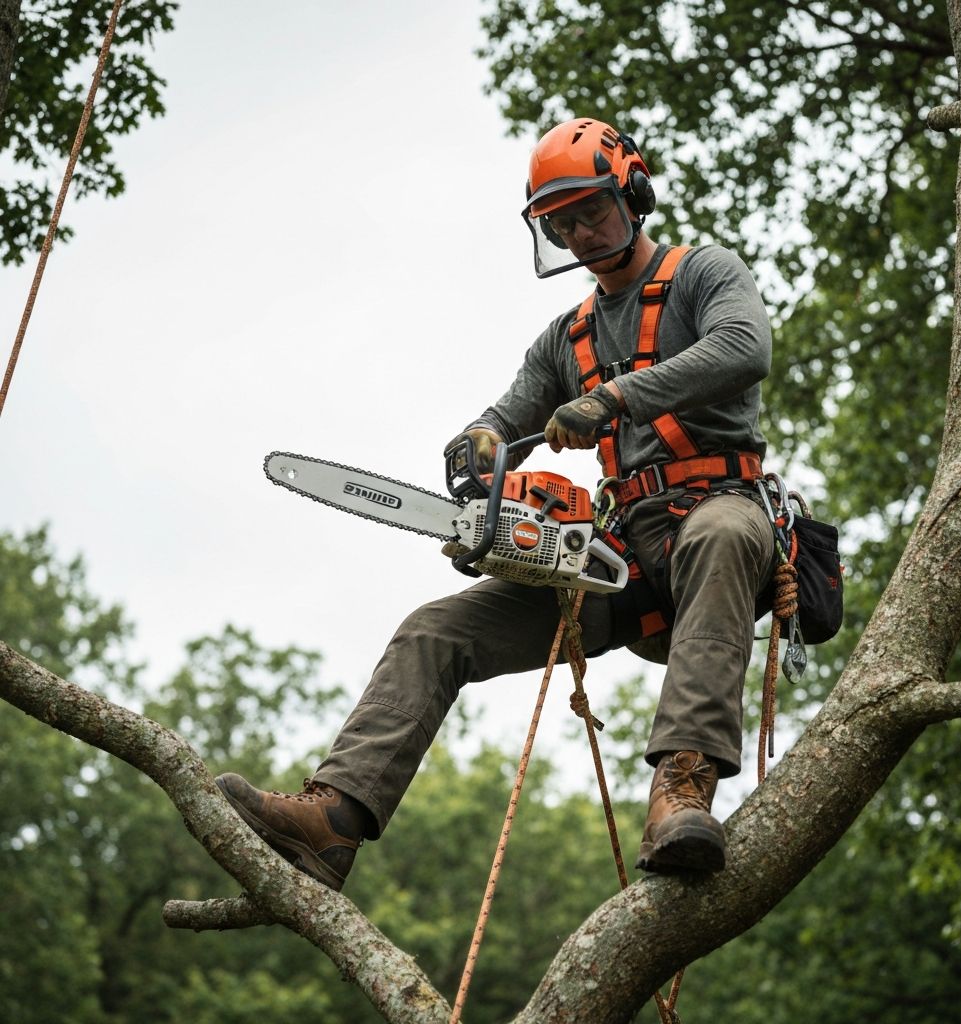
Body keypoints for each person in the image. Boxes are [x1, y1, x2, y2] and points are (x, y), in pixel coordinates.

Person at [216, 117, 776, 890]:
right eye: (562, 222)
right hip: (619, 558)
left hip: (723, 507)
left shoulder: (704, 274)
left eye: (590, 210)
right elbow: (507, 418)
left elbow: (744, 347)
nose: (580, 232)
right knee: (435, 630)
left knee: (716, 535)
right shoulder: (565, 339)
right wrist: (481, 447)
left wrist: (611, 399)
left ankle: (681, 792)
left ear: (633, 190)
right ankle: (335, 818)